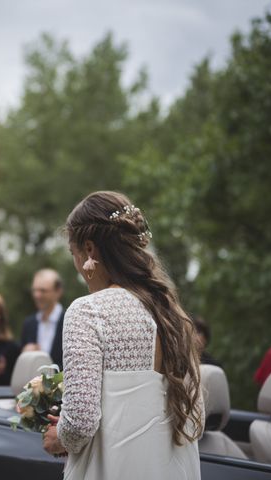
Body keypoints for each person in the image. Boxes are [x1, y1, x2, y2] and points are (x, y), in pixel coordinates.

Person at [42, 191, 203, 479]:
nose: (77, 265)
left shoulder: (89, 311)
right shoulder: (172, 312)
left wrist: (59, 438)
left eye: (74, 254)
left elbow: (80, 421)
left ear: (89, 250)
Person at [20, 269, 65, 367]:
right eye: (34, 290)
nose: (37, 295)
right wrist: (24, 355)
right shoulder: (28, 324)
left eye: (43, 291)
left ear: (58, 292)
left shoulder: (70, 321)